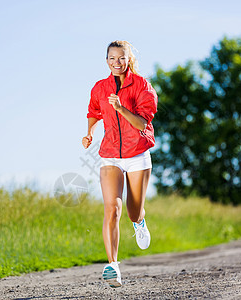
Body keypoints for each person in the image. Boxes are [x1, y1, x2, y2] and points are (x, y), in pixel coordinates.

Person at [82, 40, 158, 288]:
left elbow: (142, 124)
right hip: (110, 154)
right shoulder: (100, 88)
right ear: (106, 61)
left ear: (128, 59)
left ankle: (139, 221)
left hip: (137, 154)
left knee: (132, 210)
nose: (117, 63)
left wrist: (121, 107)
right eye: (112, 59)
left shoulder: (142, 86)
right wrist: (90, 132)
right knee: (111, 208)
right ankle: (113, 266)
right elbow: (94, 111)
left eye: (121, 58)